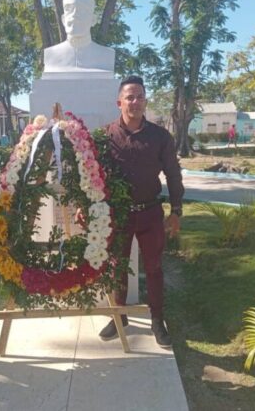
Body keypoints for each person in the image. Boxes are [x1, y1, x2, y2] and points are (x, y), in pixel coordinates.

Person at [98, 76, 184, 347]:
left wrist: (176, 211)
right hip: (119, 215)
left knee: (154, 268)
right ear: (119, 102)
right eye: (130, 97)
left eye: (140, 97)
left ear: (146, 101)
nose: (135, 102)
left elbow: (173, 174)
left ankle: (157, 319)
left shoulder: (160, 137)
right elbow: (92, 176)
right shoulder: (105, 137)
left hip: (150, 214)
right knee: (118, 268)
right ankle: (120, 316)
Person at [43, 0, 115, 72]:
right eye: (68, 9)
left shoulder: (106, 55)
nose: (74, 14)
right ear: (63, 19)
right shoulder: (51, 54)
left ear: (93, 20)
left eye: (82, 9)